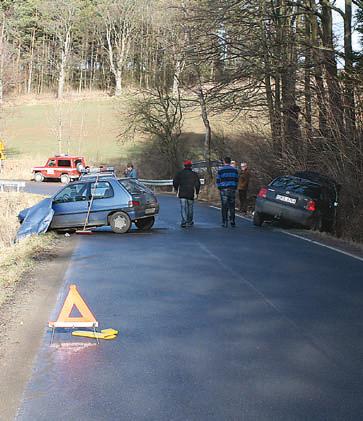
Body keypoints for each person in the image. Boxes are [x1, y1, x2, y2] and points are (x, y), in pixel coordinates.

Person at [173, 160, 201, 228]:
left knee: (183, 208)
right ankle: (190, 221)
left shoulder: (180, 173)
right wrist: (197, 192)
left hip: (182, 192)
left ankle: (184, 222)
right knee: (190, 208)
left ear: (184, 166)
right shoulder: (194, 174)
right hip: (190, 192)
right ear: (191, 166)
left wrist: (176, 189)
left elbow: (175, 182)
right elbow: (197, 184)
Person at [216, 156, 239, 227]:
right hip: (232, 188)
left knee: (224, 206)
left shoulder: (221, 170)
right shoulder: (234, 170)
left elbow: (218, 180)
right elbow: (236, 180)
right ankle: (232, 221)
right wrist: (235, 187)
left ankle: (224, 221)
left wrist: (219, 187)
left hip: (224, 189)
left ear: (224, 162)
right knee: (232, 206)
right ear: (230, 161)